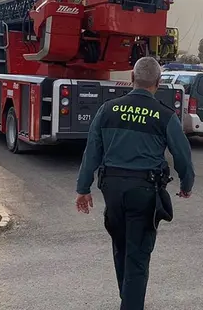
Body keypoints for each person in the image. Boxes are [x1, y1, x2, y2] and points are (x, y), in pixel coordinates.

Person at [76, 56, 195, 310]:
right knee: (138, 257)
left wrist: (83, 188)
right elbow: (182, 155)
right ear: (158, 82)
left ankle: (128, 299)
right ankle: (130, 303)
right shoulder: (165, 115)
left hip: (112, 191)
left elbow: (92, 151)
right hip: (144, 192)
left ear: (132, 78)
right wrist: (186, 184)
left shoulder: (107, 109)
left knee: (121, 247)